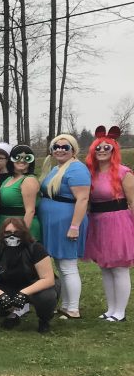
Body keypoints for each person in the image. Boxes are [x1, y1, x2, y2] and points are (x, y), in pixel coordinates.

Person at [38, 134, 91, 319]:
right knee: (61, 265)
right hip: (53, 223)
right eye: (56, 146)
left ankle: (73, 309)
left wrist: (75, 226)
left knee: (68, 266)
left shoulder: (77, 169)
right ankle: (67, 305)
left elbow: (83, 199)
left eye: (65, 147)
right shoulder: (56, 168)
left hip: (67, 223)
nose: (60, 149)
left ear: (73, 150)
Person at [83, 126, 134, 322]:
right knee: (105, 267)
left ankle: (120, 312)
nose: (102, 151)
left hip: (118, 222)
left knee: (119, 268)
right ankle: (110, 308)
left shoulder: (124, 173)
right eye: (98, 147)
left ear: (114, 150)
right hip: (97, 222)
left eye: (107, 148)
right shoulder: (90, 173)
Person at [0, 218, 56, 333]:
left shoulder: (36, 248)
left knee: (46, 296)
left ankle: (44, 319)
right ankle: (11, 314)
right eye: (8, 233)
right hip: (9, 286)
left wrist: (24, 293)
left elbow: (48, 279)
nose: (12, 236)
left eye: (16, 233)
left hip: (33, 285)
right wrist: (0, 295)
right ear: (2, 233)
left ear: (24, 233)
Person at [0, 144, 41, 240]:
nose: (21, 160)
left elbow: (30, 211)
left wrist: (22, 234)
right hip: (5, 226)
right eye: (17, 157)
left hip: (21, 228)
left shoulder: (29, 180)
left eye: (27, 158)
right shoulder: (8, 179)